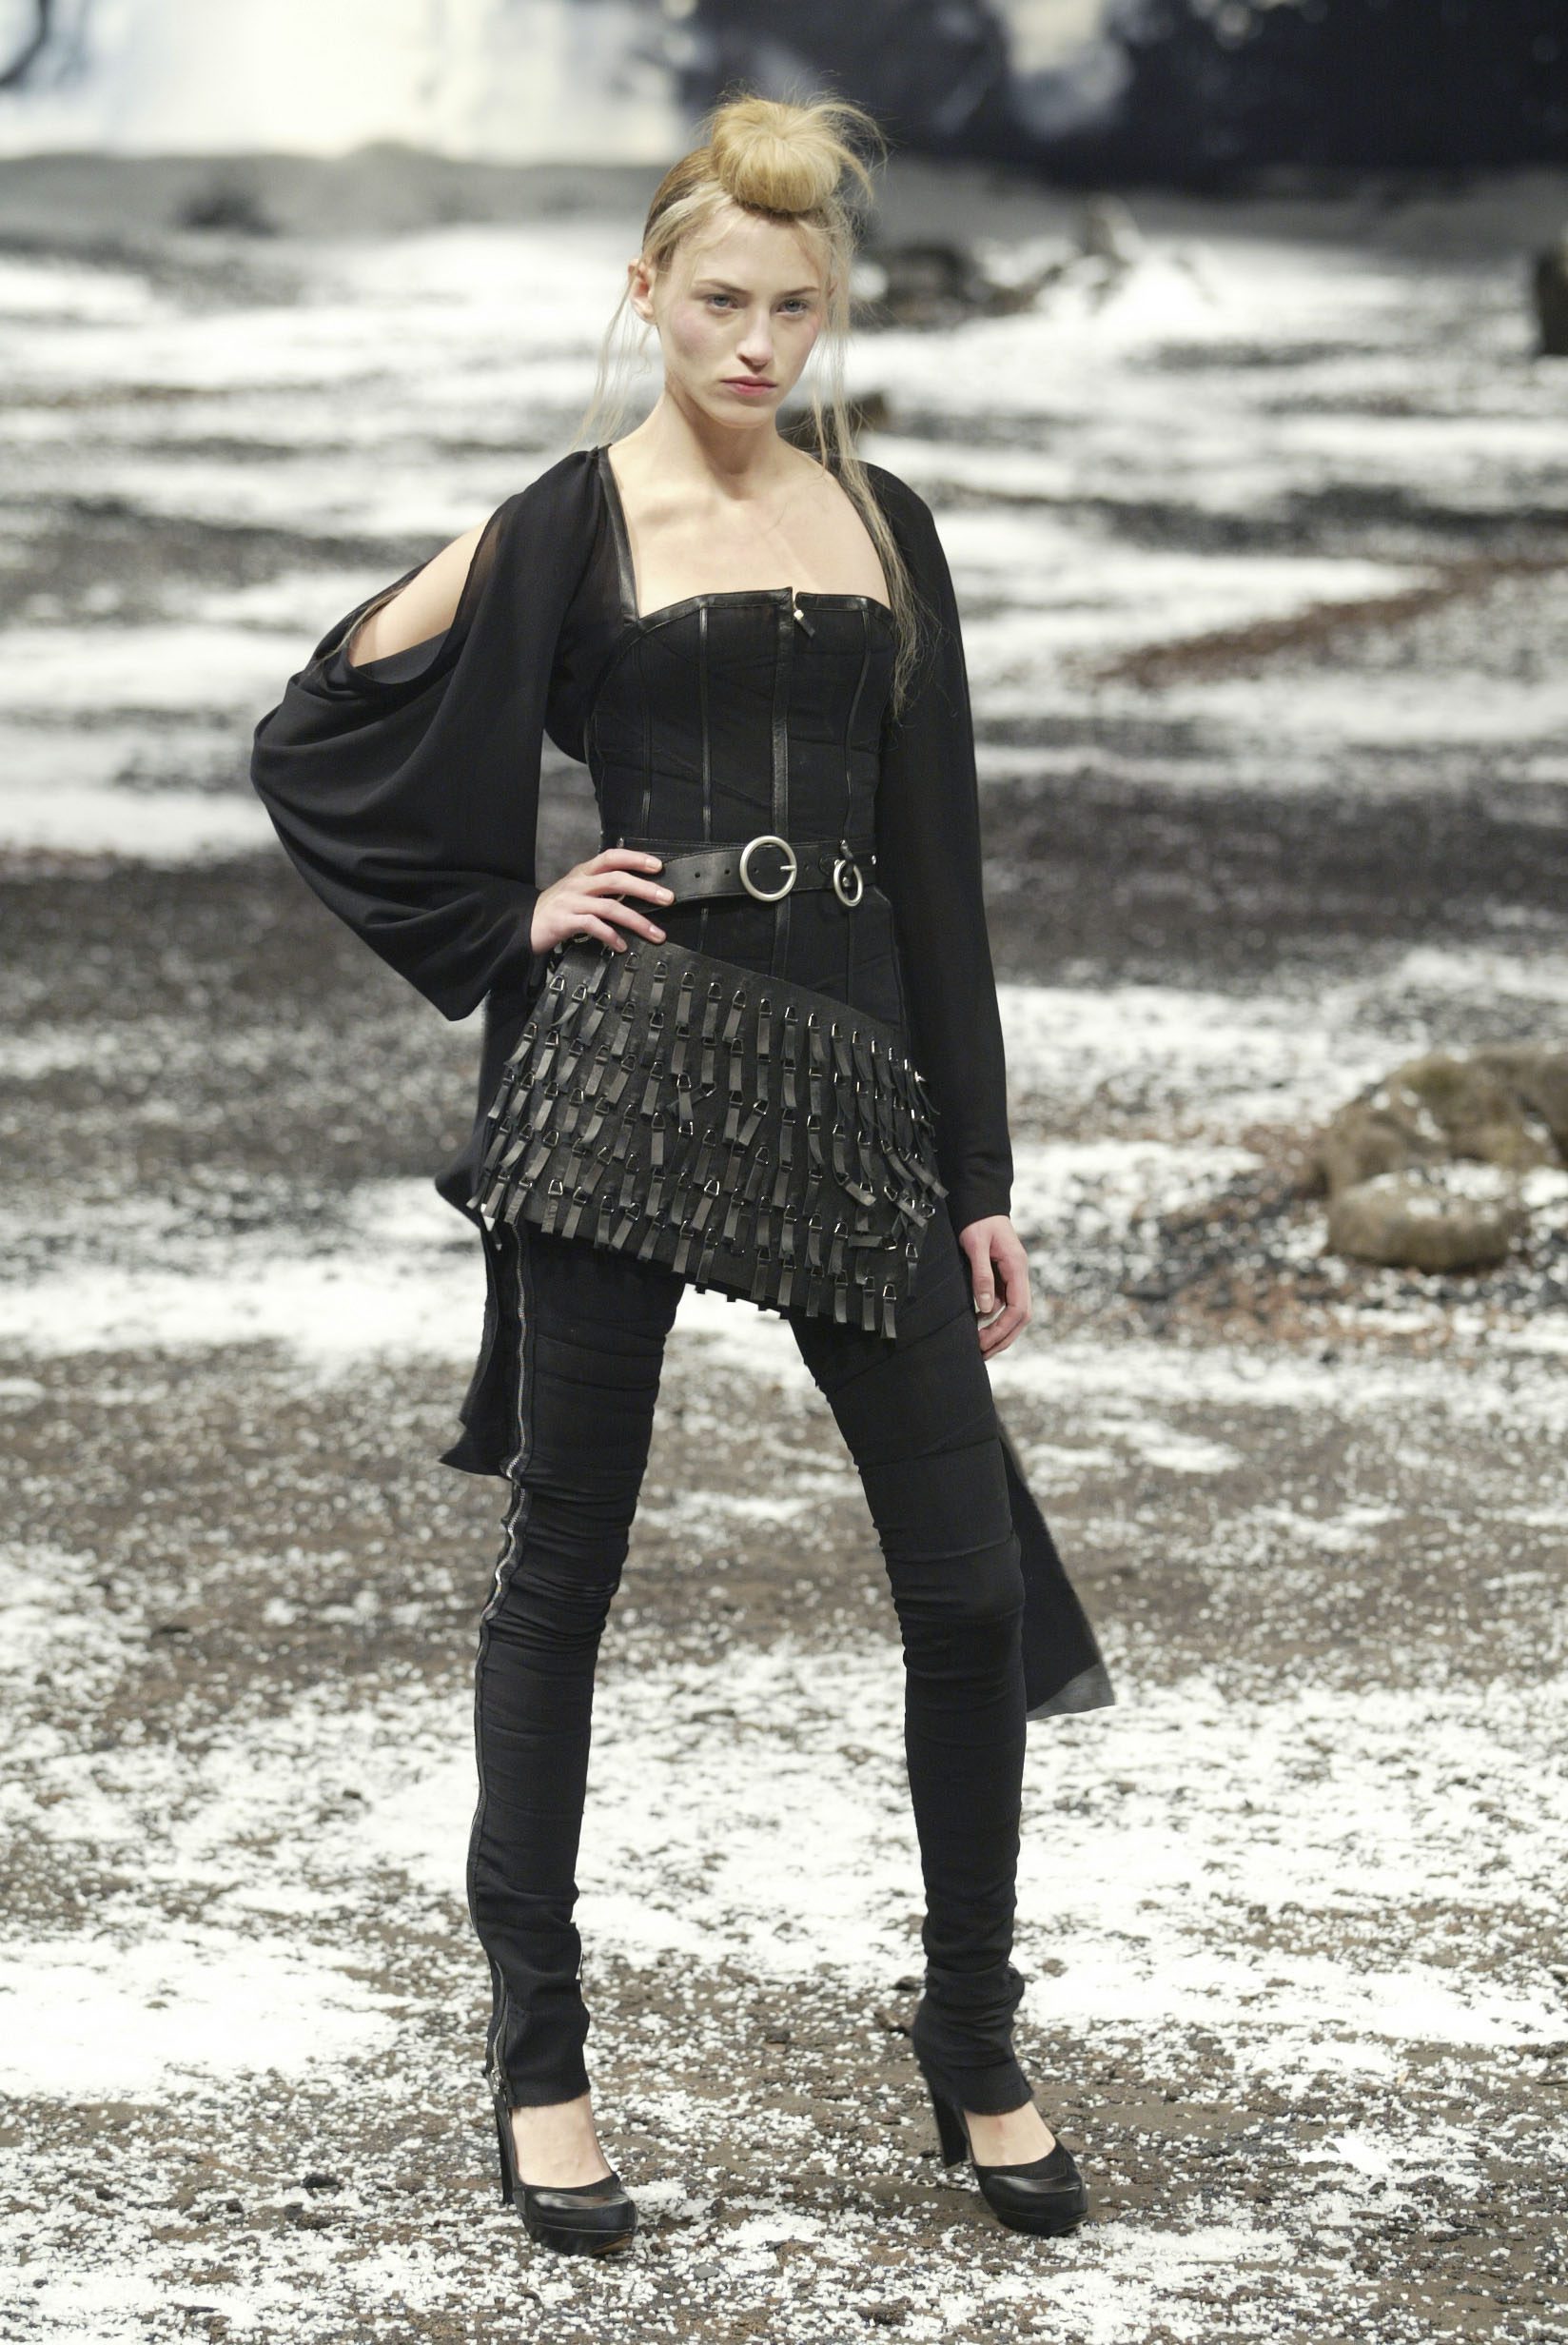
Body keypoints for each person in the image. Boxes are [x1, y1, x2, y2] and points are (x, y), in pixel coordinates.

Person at [250, 89, 1113, 2256]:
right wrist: (506, 916)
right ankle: (539, 2063)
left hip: (849, 1086)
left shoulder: (884, 522)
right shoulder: (569, 518)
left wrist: (978, 1168)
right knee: (568, 1570)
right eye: (718, 300)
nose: (753, 344)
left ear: (830, 312)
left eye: (792, 309)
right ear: (645, 291)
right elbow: (315, 724)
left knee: (968, 1589)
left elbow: (939, 864)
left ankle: (973, 2036)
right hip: (625, 1072)